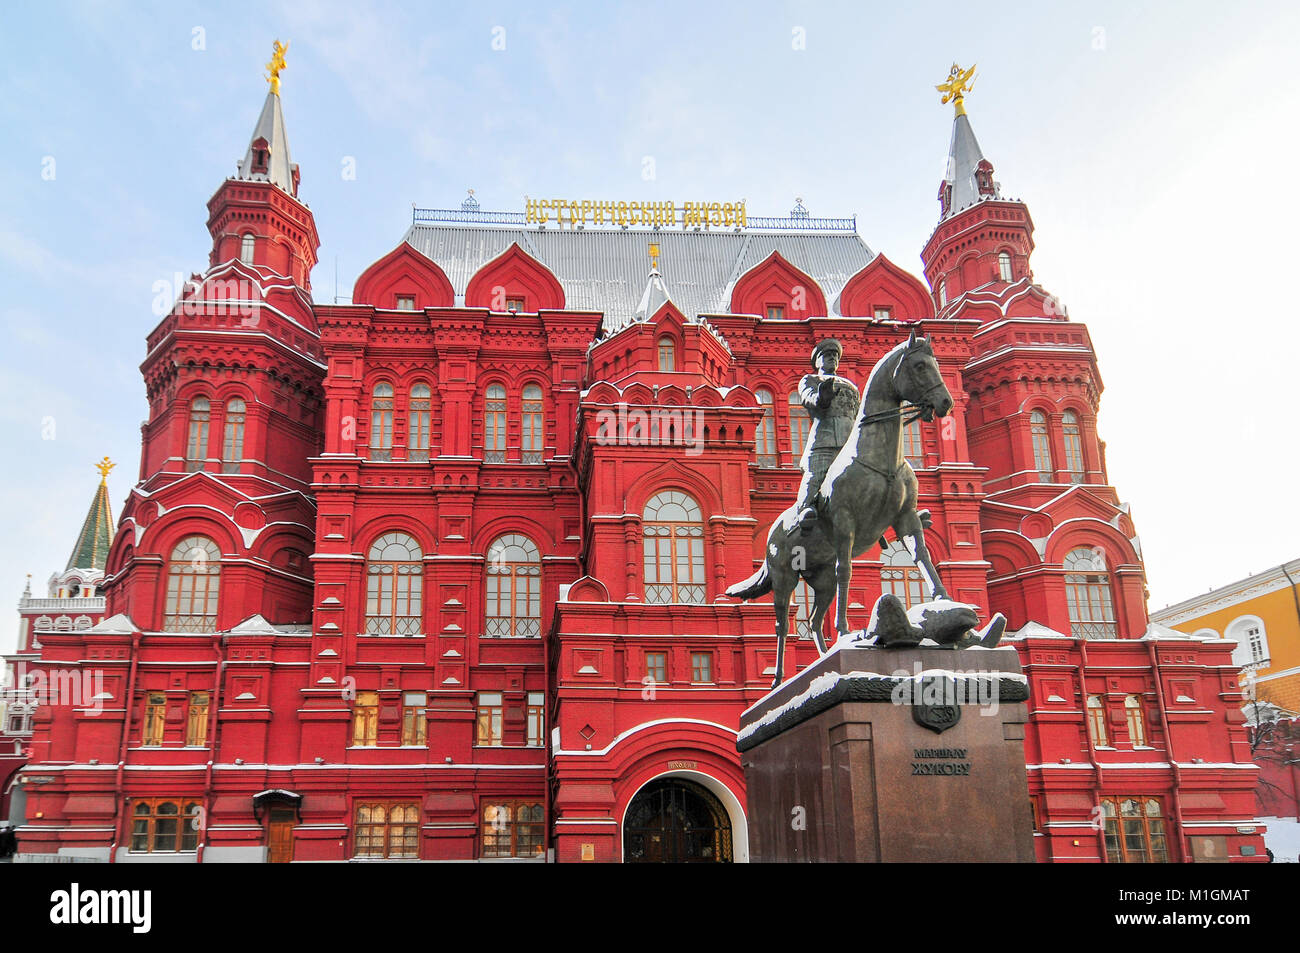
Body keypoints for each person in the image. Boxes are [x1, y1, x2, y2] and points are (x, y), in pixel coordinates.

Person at [794, 339, 861, 533]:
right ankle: (804, 510)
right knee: (815, 474)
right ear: (817, 362)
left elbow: (857, 415)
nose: (832, 358)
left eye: (835, 356)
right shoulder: (811, 380)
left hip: (849, 444)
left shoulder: (851, 386)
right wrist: (821, 397)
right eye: (827, 355)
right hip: (824, 440)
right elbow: (809, 399)